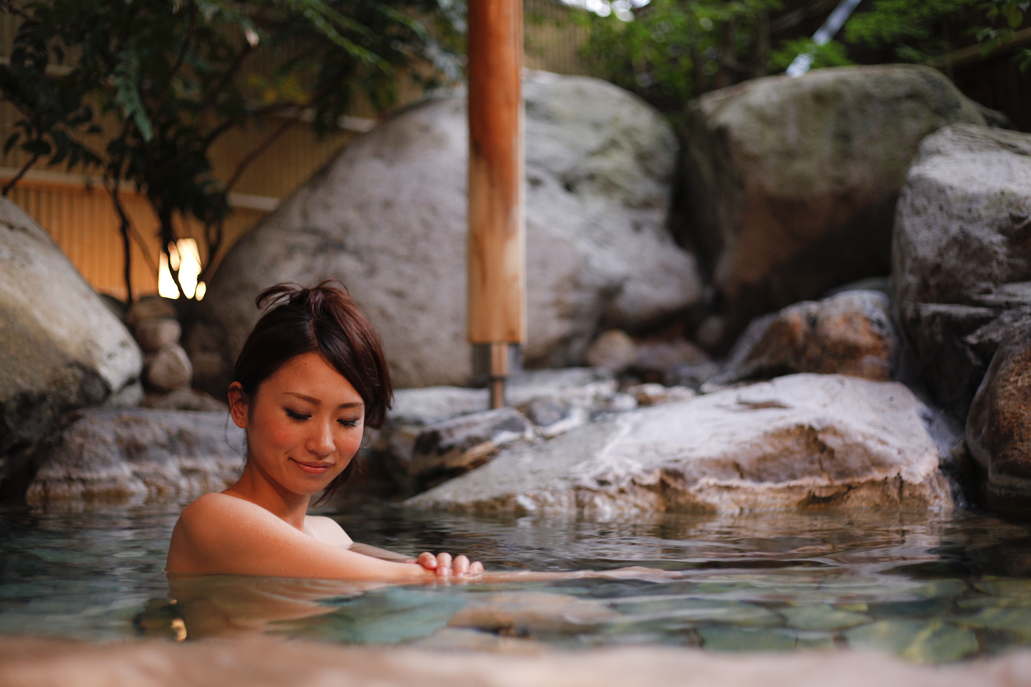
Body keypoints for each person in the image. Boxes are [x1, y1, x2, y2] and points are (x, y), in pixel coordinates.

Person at [166, 281, 483, 582]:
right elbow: (409, 582)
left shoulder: (330, 535)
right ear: (240, 406)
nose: (323, 444)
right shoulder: (212, 518)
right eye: (299, 414)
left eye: (347, 421)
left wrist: (448, 569)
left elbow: (417, 576)